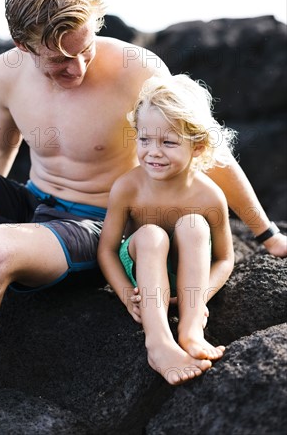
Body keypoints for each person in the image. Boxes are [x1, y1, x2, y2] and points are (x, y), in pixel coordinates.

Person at [0, 0, 285, 379]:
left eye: (85, 50)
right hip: (31, 202)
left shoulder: (138, 69)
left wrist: (267, 234)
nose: (76, 68)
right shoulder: (4, 73)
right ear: (23, 45)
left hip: (95, 225)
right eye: (59, 60)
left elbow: (206, 148)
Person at [98, 74, 237, 385]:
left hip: (190, 280)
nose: (153, 152)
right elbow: (106, 250)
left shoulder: (209, 195)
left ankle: (190, 331)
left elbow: (225, 258)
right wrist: (125, 294)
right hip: (143, 269)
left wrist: (199, 299)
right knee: (151, 234)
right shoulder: (128, 188)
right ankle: (158, 341)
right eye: (144, 139)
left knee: (194, 225)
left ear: (198, 146)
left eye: (169, 142)